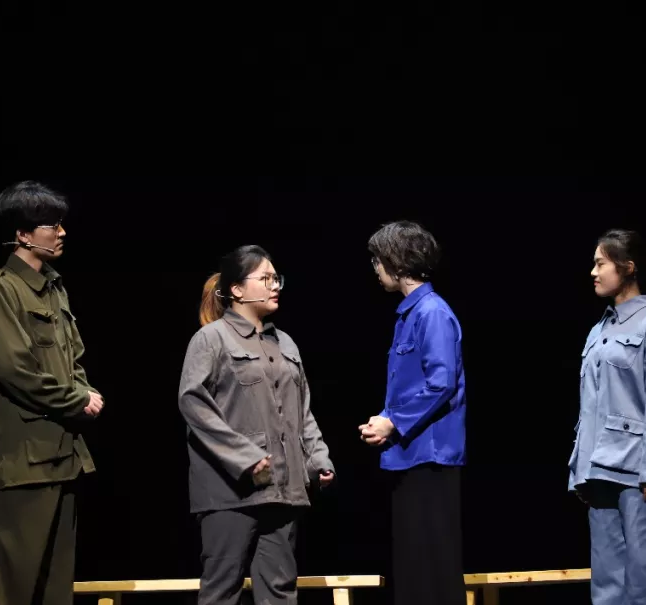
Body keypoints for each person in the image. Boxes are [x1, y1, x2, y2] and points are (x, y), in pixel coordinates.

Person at [179, 245, 335, 605]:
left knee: (280, 591)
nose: (274, 285)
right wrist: (245, 457)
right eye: (265, 278)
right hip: (229, 492)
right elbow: (193, 403)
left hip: (283, 489)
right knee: (222, 591)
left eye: (276, 278)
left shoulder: (286, 344)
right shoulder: (211, 338)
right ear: (236, 289)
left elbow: (303, 412)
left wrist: (318, 460)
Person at [0, 181, 105, 605]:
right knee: (11, 586)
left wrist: (84, 390)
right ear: (24, 234)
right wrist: (76, 400)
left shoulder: (54, 288)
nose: (62, 232)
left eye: (61, 223)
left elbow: (73, 358)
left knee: (55, 588)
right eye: (51, 224)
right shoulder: (1, 287)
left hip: (62, 457)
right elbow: (15, 370)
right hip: (22, 462)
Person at [568, 229, 646, 605]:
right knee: (607, 584)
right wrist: (580, 468)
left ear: (628, 267)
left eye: (600, 263)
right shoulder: (598, 330)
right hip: (598, 470)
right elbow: (590, 406)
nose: (593, 272)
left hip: (638, 473)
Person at [358, 221, 467, 605]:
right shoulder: (410, 314)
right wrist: (383, 418)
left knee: (434, 568)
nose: (375, 268)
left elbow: (441, 384)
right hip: (409, 455)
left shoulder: (432, 313)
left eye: (378, 259)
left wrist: (392, 422)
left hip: (430, 457)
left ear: (398, 262)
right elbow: (408, 387)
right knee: (413, 569)